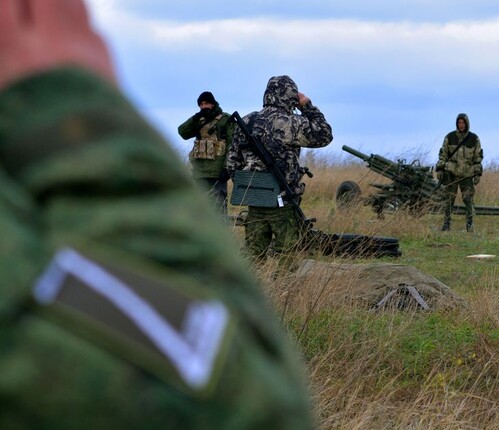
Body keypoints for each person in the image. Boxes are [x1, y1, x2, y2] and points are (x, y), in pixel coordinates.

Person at [0, 1, 314, 428]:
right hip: (243, 189)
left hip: (233, 186)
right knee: (277, 245)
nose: (204, 109)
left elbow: (235, 155)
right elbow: (250, 403)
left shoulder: (236, 122)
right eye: (201, 104)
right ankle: (284, 279)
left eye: (207, 105)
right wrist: (74, 110)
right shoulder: (229, 123)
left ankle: (276, 277)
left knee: (252, 240)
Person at [227, 75, 333, 263]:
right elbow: (324, 135)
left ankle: (252, 291)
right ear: (291, 96)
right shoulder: (291, 122)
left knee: (252, 256)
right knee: (288, 254)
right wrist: (307, 106)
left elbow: (231, 164)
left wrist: (252, 187)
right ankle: (284, 291)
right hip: (282, 201)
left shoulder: (247, 121)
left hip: (254, 200)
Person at [177, 91, 234, 218]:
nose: (204, 106)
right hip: (199, 173)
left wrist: (227, 168)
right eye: (201, 104)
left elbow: (232, 146)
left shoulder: (225, 120)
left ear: (213, 104)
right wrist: (195, 118)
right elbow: (182, 132)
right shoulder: (198, 120)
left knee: (219, 211)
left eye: (207, 103)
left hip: (217, 174)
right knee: (200, 212)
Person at [435, 113, 483, 232]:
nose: (461, 125)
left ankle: (470, 225)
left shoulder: (474, 139)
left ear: (467, 124)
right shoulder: (450, 137)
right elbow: (443, 155)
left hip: (467, 174)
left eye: (463, 123)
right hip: (451, 173)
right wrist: (440, 169)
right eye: (459, 123)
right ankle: (446, 225)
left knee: (468, 200)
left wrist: (477, 174)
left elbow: (478, 158)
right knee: (449, 200)